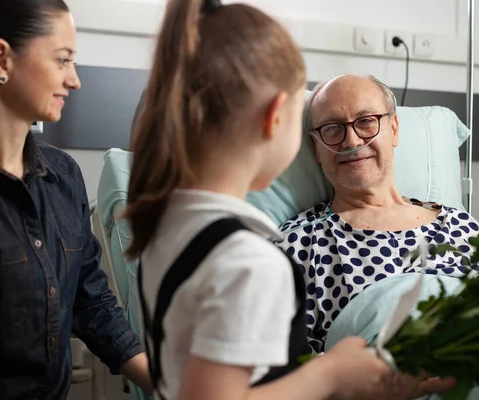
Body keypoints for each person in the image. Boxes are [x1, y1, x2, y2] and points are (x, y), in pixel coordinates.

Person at [125, 0, 456, 399]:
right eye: (326, 128)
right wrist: (330, 374)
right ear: (275, 117)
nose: (350, 140)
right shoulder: (251, 262)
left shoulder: (168, 231)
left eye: (366, 122)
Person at [0, 1, 152, 399]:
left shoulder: (63, 176)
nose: (75, 80)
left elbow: (93, 302)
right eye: (63, 60)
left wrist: (169, 384)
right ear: (0, 59)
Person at [276, 74, 479, 353]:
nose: (351, 140)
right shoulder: (298, 245)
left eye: (365, 122)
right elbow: (291, 369)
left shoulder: (462, 226)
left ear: (394, 129)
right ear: (316, 148)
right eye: (332, 129)